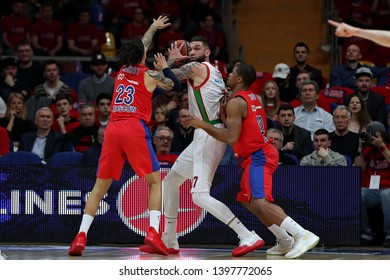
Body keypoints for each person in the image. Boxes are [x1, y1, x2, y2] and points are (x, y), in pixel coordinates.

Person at [140, 37, 266, 257]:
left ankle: (247, 235)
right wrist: (174, 64)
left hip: (208, 133)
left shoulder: (197, 67)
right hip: (206, 134)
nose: (192, 51)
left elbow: (165, 81)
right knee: (170, 182)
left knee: (199, 195)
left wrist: (168, 62)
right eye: (191, 49)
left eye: (197, 48)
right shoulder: (215, 71)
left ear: (207, 53)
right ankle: (170, 239)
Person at [184, 62, 320, 258]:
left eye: (231, 73)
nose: (228, 75)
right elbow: (243, 129)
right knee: (250, 202)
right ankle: (284, 240)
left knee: (260, 202)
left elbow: (231, 138)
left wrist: (202, 124)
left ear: (239, 79)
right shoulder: (253, 98)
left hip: (258, 155)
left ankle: (302, 234)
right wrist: (225, 115)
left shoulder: (236, 103)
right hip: (256, 154)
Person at [68, 15, 178, 257]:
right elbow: (173, 85)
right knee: (155, 181)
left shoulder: (121, 71)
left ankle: (80, 236)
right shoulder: (149, 75)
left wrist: (152, 28)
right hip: (133, 128)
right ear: (142, 56)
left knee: (99, 187)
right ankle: (152, 231)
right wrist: (166, 67)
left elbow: (142, 44)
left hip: (113, 129)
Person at [354, 121, 390, 247]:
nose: (373, 138)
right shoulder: (368, 149)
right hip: (372, 189)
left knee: (386, 195)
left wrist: (382, 146)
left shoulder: (388, 146)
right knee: (358, 194)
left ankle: (389, 235)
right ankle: (366, 235)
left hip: (388, 188)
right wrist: (360, 148)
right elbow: (359, 168)